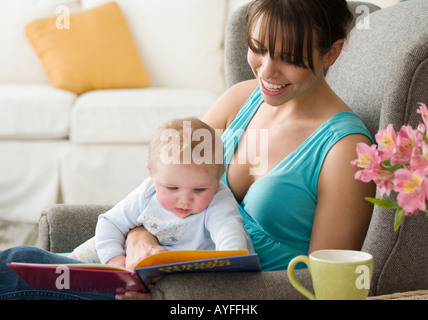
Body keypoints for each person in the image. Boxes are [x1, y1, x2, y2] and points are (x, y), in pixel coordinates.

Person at [0, 0, 375, 300]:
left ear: (332, 53)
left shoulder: (345, 151)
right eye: (258, 49)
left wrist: (175, 289)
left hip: (198, 295)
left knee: (16, 267)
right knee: (20, 266)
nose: (267, 71)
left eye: (289, 59)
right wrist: (138, 239)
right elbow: (161, 185)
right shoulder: (241, 100)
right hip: (144, 270)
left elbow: (325, 287)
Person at [68, 117, 250, 267]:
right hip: (132, 258)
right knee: (86, 252)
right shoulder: (147, 192)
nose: (185, 200)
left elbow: (231, 242)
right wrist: (116, 262)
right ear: (151, 173)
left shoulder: (219, 200)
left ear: (218, 178)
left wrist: (231, 264)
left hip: (176, 272)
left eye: (199, 189)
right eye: (172, 188)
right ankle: (61, 268)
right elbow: (110, 222)